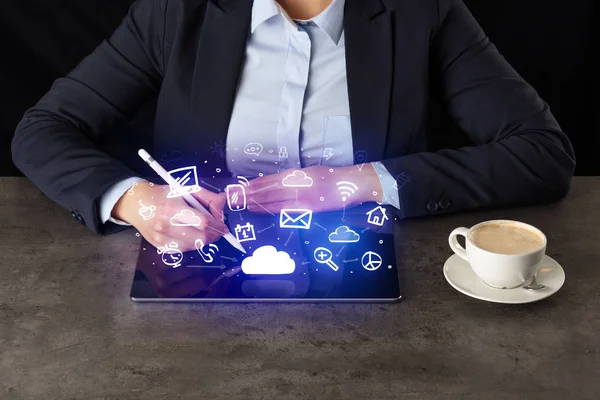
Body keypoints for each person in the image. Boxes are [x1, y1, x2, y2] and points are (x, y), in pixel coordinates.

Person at [12, 0, 576, 253]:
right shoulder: (174, 10)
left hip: (375, 276)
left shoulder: (423, 10)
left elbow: (542, 155)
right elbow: (44, 128)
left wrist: (360, 181)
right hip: (196, 275)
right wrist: (134, 200)